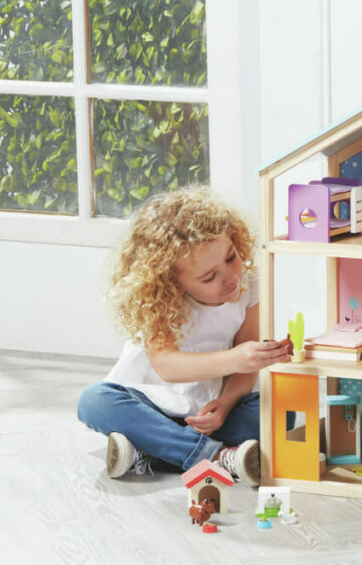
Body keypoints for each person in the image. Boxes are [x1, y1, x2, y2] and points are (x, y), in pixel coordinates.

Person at [77, 187, 291, 484]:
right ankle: (218, 457)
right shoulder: (159, 301)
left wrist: (226, 403)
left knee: (283, 409)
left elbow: (245, 366)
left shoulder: (248, 289)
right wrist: (235, 359)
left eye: (231, 258)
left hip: (209, 412)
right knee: (94, 400)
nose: (230, 277)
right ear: (173, 282)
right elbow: (168, 366)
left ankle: (150, 449)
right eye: (209, 276)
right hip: (151, 405)